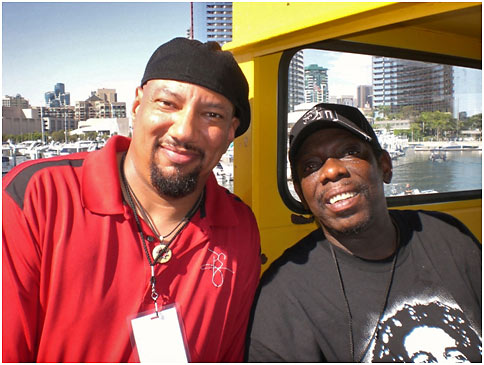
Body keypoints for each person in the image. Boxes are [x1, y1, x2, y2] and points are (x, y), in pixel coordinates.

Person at [3, 37, 261, 363]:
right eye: (168, 104)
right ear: (137, 105)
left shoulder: (240, 229)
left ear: (229, 132)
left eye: (211, 114)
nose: (184, 131)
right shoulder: (36, 197)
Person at [246, 103, 481, 362]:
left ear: (385, 166)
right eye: (310, 166)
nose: (332, 171)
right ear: (302, 196)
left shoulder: (449, 239)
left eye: (349, 152)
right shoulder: (282, 296)